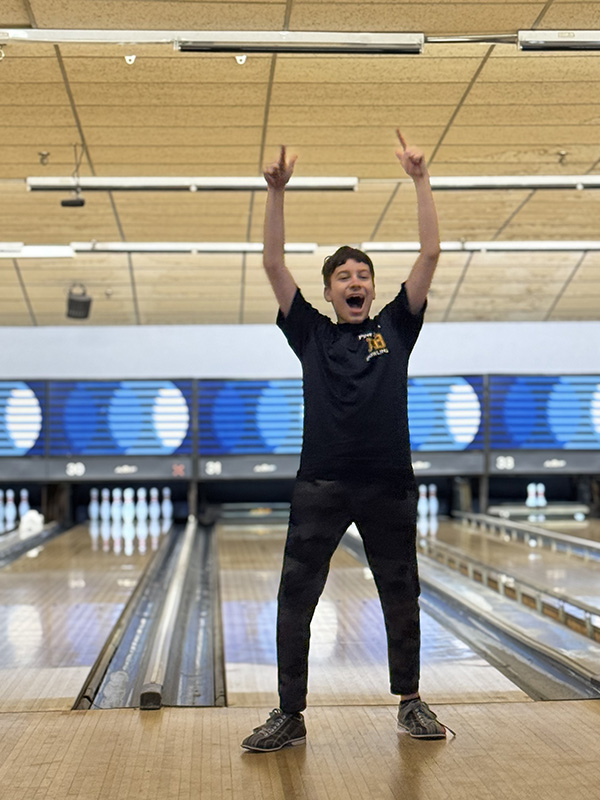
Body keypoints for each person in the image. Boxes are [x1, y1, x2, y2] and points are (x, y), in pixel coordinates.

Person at [241, 131, 452, 752]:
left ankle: (410, 702)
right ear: (330, 291)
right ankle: (289, 712)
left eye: (363, 275)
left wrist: (419, 179)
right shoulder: (309, 333)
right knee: (295, 599)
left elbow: (432, 253)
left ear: (371, 288)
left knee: (400, 592)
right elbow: (274, 266)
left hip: (389, 484)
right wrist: (276, 195)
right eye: (344, 277)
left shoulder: (396, 327)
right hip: (321, 485)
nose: (355, 283)